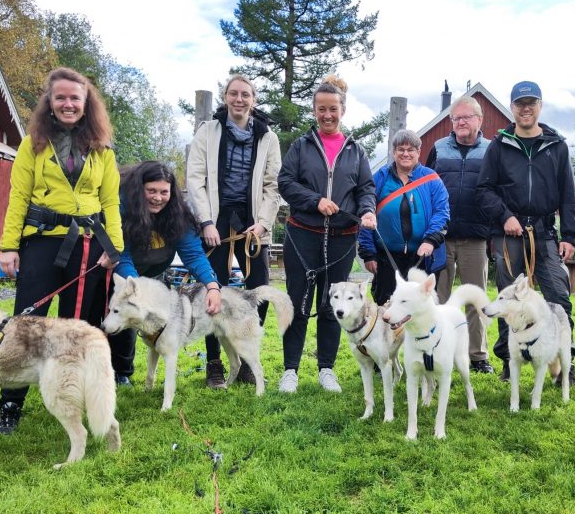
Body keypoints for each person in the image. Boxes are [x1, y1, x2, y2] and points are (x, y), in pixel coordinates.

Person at [0, 67, 123, 434]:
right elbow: (18, 196)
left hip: (88, 245)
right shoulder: (31, 144)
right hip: (41, 241)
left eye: (75, 98)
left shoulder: (102, 149)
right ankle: (10, 404)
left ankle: (73, 399)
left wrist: (113, 247)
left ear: (86, 104)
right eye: (61, 98)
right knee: (25, 326)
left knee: (77, 329)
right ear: (49, 103)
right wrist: (8, 246)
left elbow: (111, 202)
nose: (68, 104)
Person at [276, 74, 377, 394]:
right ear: (315, 111)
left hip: (343, 239)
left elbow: (366, 189)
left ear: (342, 110)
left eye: (333, 108)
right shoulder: (301, 147)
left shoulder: (356, 151)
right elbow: (285, 183)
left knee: (335, 304)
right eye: (321, 109)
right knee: (298, 302)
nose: (327, 115)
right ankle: (290, 370)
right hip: (303, 235)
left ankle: (326, 369)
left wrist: (367, 210)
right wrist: (315, 201)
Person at [476, 81, 575, 383]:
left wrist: (569, 236)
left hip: (545, 233)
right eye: (520, 103)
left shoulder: (557, 145)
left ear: (540, 106)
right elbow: (484, 190)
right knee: (510, 301)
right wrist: (505, 216)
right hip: (508, 235)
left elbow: (568, 196)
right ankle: (511, 363)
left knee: (559, 297)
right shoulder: (500, 145)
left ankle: (565, 364)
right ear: (512, 108)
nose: (526, 108)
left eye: (531, 103)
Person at [186, 73, 281, 389]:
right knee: (213, 290)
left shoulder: (267, 138)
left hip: (253, 223)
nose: (239, 100)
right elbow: (195, 178)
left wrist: (264, 222)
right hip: (216, 222)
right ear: (225, 97)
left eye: (246, 95)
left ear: (254, 100)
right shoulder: (208, 132)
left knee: (260, 291)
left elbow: (273, 185)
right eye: (233, 94)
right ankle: (214, 363)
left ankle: (243, 358)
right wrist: (206, 222)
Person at [109, 161, 222, 383]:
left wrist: (212, 285)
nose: (157, 197)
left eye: (164, 192)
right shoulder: (123, 207)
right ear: (139, 189)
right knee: (117, 313)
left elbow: (193, 255)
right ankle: (108, 370)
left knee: (138, 318)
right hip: (120, 270)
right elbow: (123, 253)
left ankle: (122, 373)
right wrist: (135, 287)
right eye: (151, 190)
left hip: (154, 273)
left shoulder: (177, 214)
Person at [426, 96, 494, 373]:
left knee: (475, 299)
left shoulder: (492, 150)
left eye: (467, 117)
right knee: (437, 298)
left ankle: (478, 356)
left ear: (480, 120)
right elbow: (427, 185)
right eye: (456, 118)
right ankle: (436, 348)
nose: (461, 122)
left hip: (476, 237)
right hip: (441, 237)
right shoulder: (439, 148)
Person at [358, 129, 449, 304]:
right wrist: (369, 254)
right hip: (387, 259)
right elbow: (366, 214)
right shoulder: (380, 179)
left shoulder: (432, 179)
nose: (405, 153)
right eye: (401, 149)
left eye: (410, 149)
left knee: (420, 308)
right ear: (394, 152)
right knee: (387, 307)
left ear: (418, 152)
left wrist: (430, 240)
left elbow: (442, 212)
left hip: (422, 258)